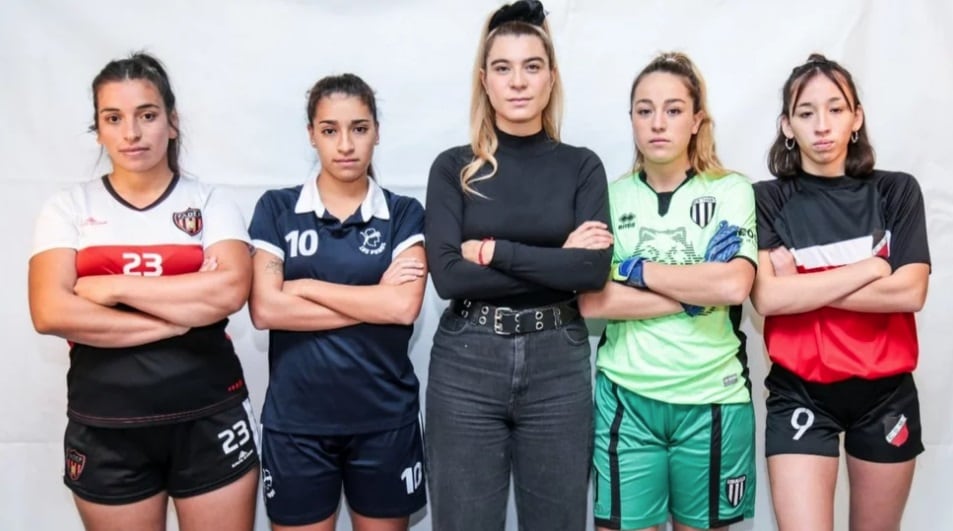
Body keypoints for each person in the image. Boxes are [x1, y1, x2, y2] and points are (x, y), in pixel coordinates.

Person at [27, 52, 258, 531]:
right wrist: (180, 313)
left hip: (208, 415)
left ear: (171, 123)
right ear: (99, 129)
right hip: (107, 426)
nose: (131, 133)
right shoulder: (67, 208)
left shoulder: (210, 201)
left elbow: (231, 290)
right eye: (114, 118)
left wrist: (107, 287)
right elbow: (51, 311)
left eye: (146, 115)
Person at [423, 1, 612, 529]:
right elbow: (449, 277)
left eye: (532, 66)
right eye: (503, 68)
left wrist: (494, 250)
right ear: (484, 80)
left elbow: (590, 274)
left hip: (559, 364)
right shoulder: (454, 167)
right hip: (467, 361)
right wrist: (558, 258)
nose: (518, 82)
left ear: (551, 77)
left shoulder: (581, 165)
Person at [579, 52, 758, 531]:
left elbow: (736, 284)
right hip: (627, 399)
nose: (658, 123)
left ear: (697, 119)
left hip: (712, 399)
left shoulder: (733, 190)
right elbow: (595, 302)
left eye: (674, 109)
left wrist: (636, 269)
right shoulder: (608, 197)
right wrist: (697, 287)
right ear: (632, 119)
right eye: (644, 110)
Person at [751, 54, 930, 531]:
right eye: (806, 113)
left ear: (857, 117)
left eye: (835, 108)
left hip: (885, 396)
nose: (822, 125)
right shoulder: (766, 199)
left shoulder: (896, 192)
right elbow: (768, 299)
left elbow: (909, 292)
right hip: (800, 394)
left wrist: (803, 282)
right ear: (787, 126)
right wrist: (872, 267)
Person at [247, 73, 427, 531]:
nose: (345, 144)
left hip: (384, 421)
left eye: (359, 128)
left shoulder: (404, 213)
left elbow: (402, 309)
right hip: (297, 426)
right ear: (311, 134)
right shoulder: (277, 209)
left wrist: (303, 285)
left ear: (377, 132)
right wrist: (374, 297)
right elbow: (266, 309)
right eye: (330, 130)